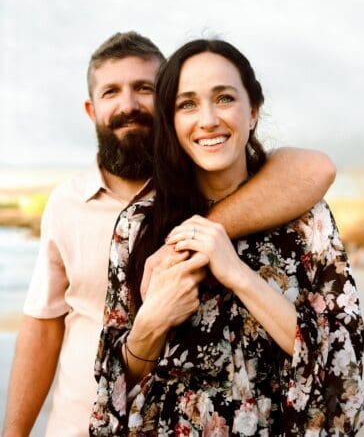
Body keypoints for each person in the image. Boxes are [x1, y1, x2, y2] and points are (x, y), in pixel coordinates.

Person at [3, 31, 336, 437]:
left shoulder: (223, 189)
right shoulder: (70, 204)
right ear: (92, 110)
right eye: (111, 91)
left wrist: (196, 234)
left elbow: (314, 169)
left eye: (144, 88)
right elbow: (43, 325)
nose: (128, 105)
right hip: (82, 422)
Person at [90, 39, 364, 436]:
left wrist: (238, 274)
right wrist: (151, 323)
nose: (207, 120)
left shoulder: (308, 219)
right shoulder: (137, 225)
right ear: (170, 120)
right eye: (187, 104)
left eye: (223, 98)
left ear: (253, 110)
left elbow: (343, 360)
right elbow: (112, 389)